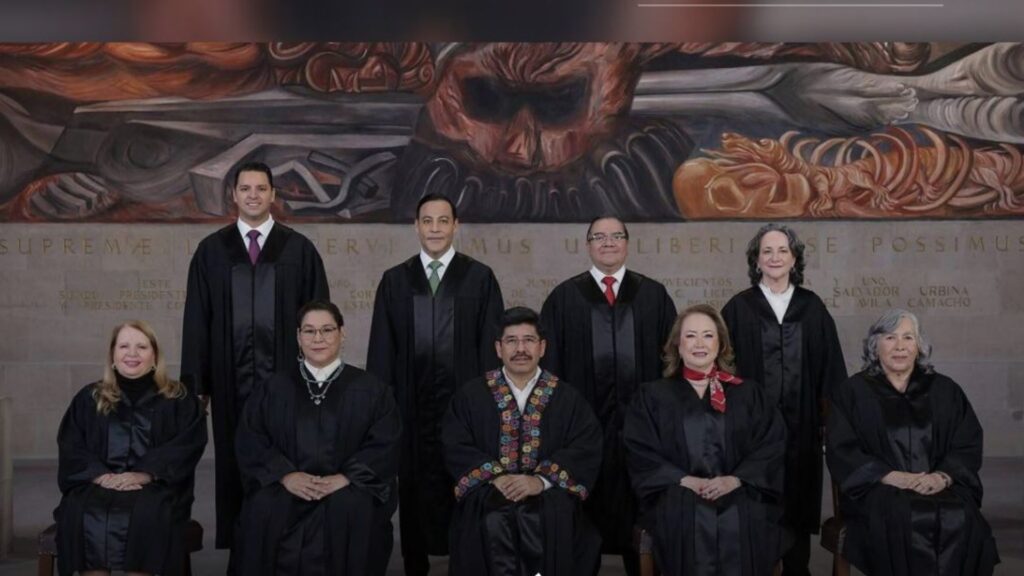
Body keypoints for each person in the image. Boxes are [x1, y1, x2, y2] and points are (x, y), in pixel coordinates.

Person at [180, 161, 330, 559]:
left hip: (288, 384)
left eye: (261, 188)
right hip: (229, 383)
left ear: (273, 195)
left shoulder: (298, 249)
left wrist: (318, 376)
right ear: (233, 194)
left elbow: (319, 320)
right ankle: (242, 553)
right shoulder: (212, 251)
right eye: (245, 188)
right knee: (235, 463)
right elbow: (197, 321)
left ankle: (288, 549)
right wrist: (197, 385)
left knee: (288, 459)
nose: (253, 195)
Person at [367, 192, 504, 576]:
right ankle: (415, 564)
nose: (435, 228)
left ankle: (466, 562)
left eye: (443, 221)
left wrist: (486, 407)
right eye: (427, 221)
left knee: (466, 482)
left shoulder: (479, 278)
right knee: (412, 485)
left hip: (464, 409)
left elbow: (491, 350)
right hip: (410, 408)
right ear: (416, 226)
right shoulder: (395, 280)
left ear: (456, 226)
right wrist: (382, 409)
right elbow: (382, 350)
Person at [539, 215, 676, 574]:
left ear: (627, 243)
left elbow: (671, 364)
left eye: (616, 236)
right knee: (583, 521)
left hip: (641, 429)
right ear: (588, 245)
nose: (608, 242)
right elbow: (550, 370)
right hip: (584, 431)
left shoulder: (653, 295)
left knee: (639, 510)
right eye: (599, 237)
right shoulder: (564, 298)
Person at [826, 309, 1000, 576]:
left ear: (919, 346)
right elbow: (842, 449)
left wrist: (942, 477)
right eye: (890, 337)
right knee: (903, 516)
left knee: (961, 515)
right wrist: (890, 476)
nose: (900, 346)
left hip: (938, 486)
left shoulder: (944, 390)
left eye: (908, 337)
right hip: (879, 490)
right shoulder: (853, 393)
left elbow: (966, 443)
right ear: (875, 346)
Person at [234, 300, 401, 576]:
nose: (318, 338)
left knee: (354, 508)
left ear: (342, 333)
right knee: (264, 507)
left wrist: (346, 477)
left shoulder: (372, 390)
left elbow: (385, 444)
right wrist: (286, 475)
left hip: (347, 488)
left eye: (327, 329)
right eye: (309, 331)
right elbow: (251, 439)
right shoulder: (273, 388)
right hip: (285, 487)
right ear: (298, 337)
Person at [721, 223, 847, 576]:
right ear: (756, 260)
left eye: (782, 251)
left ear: (794, 259)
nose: (775, 257)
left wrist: (831, 427)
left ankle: (797, 570)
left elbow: (831, 372)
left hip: (802, 430)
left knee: (797, 504)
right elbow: (722, 370)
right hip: (751, 432)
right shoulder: (739, 308)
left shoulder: (812, 308)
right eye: (767, 251)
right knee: (754, 502)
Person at [624, 304, 785, 576]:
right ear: (677, 345)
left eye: (708, 335)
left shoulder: (749, 394)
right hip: (678, 494)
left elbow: (770, 445)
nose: (699, 343)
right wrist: (684, 480)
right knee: (687, 513)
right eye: (690, 336)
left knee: (745, 515)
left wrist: (735, 480)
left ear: (721, 344)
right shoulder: (652, 396)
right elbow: (640, 450)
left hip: (739, 491)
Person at [442, 306, 604, 576]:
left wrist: (540, 481)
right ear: (498, 348)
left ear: (542, 347)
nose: (520, 349)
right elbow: (455, 444)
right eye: (511, 341)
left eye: (528, 340)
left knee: (548, 520)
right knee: (491, 519)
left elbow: (585, 446)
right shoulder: (470, 396)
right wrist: (495, 476)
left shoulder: (568, 398)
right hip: (489, 493)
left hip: (549, 497)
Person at [55, 321, 207, 576]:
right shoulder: (90, 397)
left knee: (147, 513)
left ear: (154, 355)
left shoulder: (178, 398)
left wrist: (145, 473)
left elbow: (186, 446)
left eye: (142, 347)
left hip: (155, 487)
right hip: (97, 485)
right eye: (124, 346)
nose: (132, 354)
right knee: (81, 511)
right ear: (112, 355)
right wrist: (100, 475)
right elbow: (72, 445)